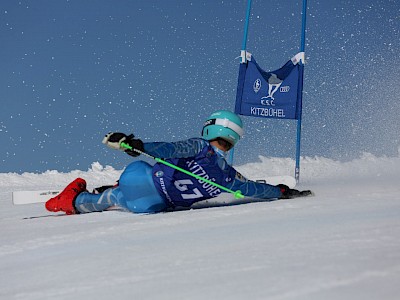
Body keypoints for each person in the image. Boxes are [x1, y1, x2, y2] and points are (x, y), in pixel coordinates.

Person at [45, 110, 308, 215]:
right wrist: (280, 192)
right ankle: (89, 199)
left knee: (119, 190)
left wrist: (135, 144)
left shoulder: (199, 146)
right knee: (118, 199)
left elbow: (169, 149)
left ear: (210, 129)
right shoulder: (228, 175)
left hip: (141, 179)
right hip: (154, 205)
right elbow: (251, 189)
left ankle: (70, 200)